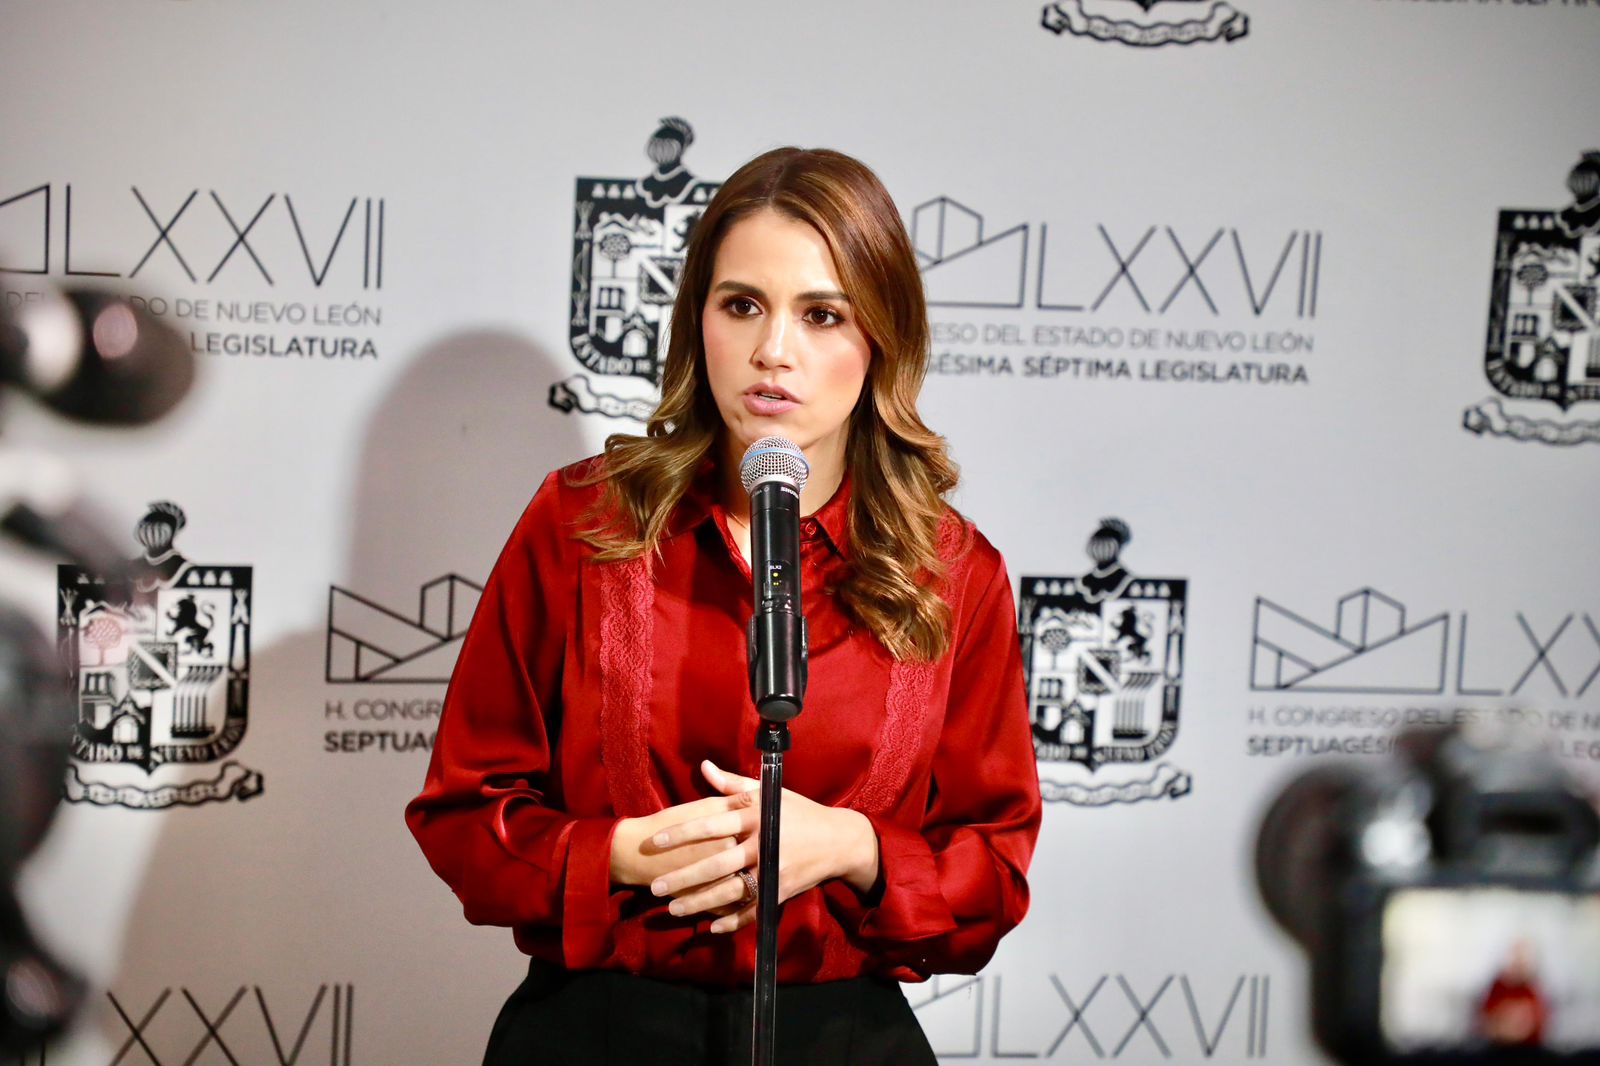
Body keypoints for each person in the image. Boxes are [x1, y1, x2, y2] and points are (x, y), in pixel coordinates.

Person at [406, 146, 1042, 1065]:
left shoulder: (955, 572)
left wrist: (853, 847)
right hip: (597, 1035)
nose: (773, 351)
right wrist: (619, 856)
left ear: (882, 337)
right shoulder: (582, 521)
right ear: (696, 319)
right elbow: (464, 815)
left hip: (841, 1040)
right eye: (742, 305)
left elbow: (994, 870)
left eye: (822, 315)